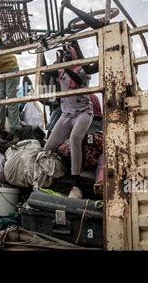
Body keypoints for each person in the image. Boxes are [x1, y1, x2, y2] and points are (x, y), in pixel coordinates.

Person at [43, 46, 93, 199]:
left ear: (74, 56)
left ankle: (75, 180)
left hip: (83, 113)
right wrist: (45, 50)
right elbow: (46, 70)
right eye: (63, 54)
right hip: (66, 115)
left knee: (74, 138)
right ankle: (48, 172)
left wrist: (65, 66)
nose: (65, 56)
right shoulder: (61, 71)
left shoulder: (82, 70)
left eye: (68, 54)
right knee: (48, 146)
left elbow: (78, 80)